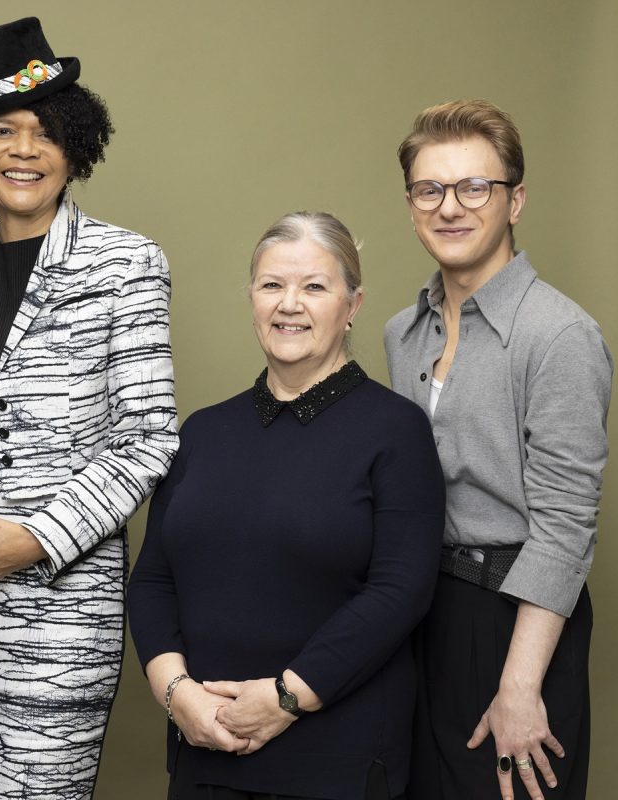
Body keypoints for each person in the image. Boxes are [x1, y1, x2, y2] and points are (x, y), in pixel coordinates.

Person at [0, 17, 178, 800]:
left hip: (59, 603)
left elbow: (150, 437)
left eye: (45, 131)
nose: (24, 149)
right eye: (3, 130)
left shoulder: (126, 263)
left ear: (75, 146)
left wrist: (32, 541)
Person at [128, 212, 446, 800]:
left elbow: (400, 591)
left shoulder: (395, 430)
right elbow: (152, 579)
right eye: (272, 285)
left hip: (336, 761)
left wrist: (283, 699)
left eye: (314, 287)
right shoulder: (202, 432)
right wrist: (178, 696)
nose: (289, 304)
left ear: (353, 304)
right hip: (206, 748)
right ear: (251, 299)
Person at [385, 100, 612, 800]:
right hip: (421, 613)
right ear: (412, 202)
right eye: (431, 188)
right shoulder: (403, 332)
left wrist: (520, 685)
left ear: (515, 200)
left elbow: (565, 528)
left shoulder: (561, 336)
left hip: (517, 621)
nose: (450, 206)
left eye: (473, 187)